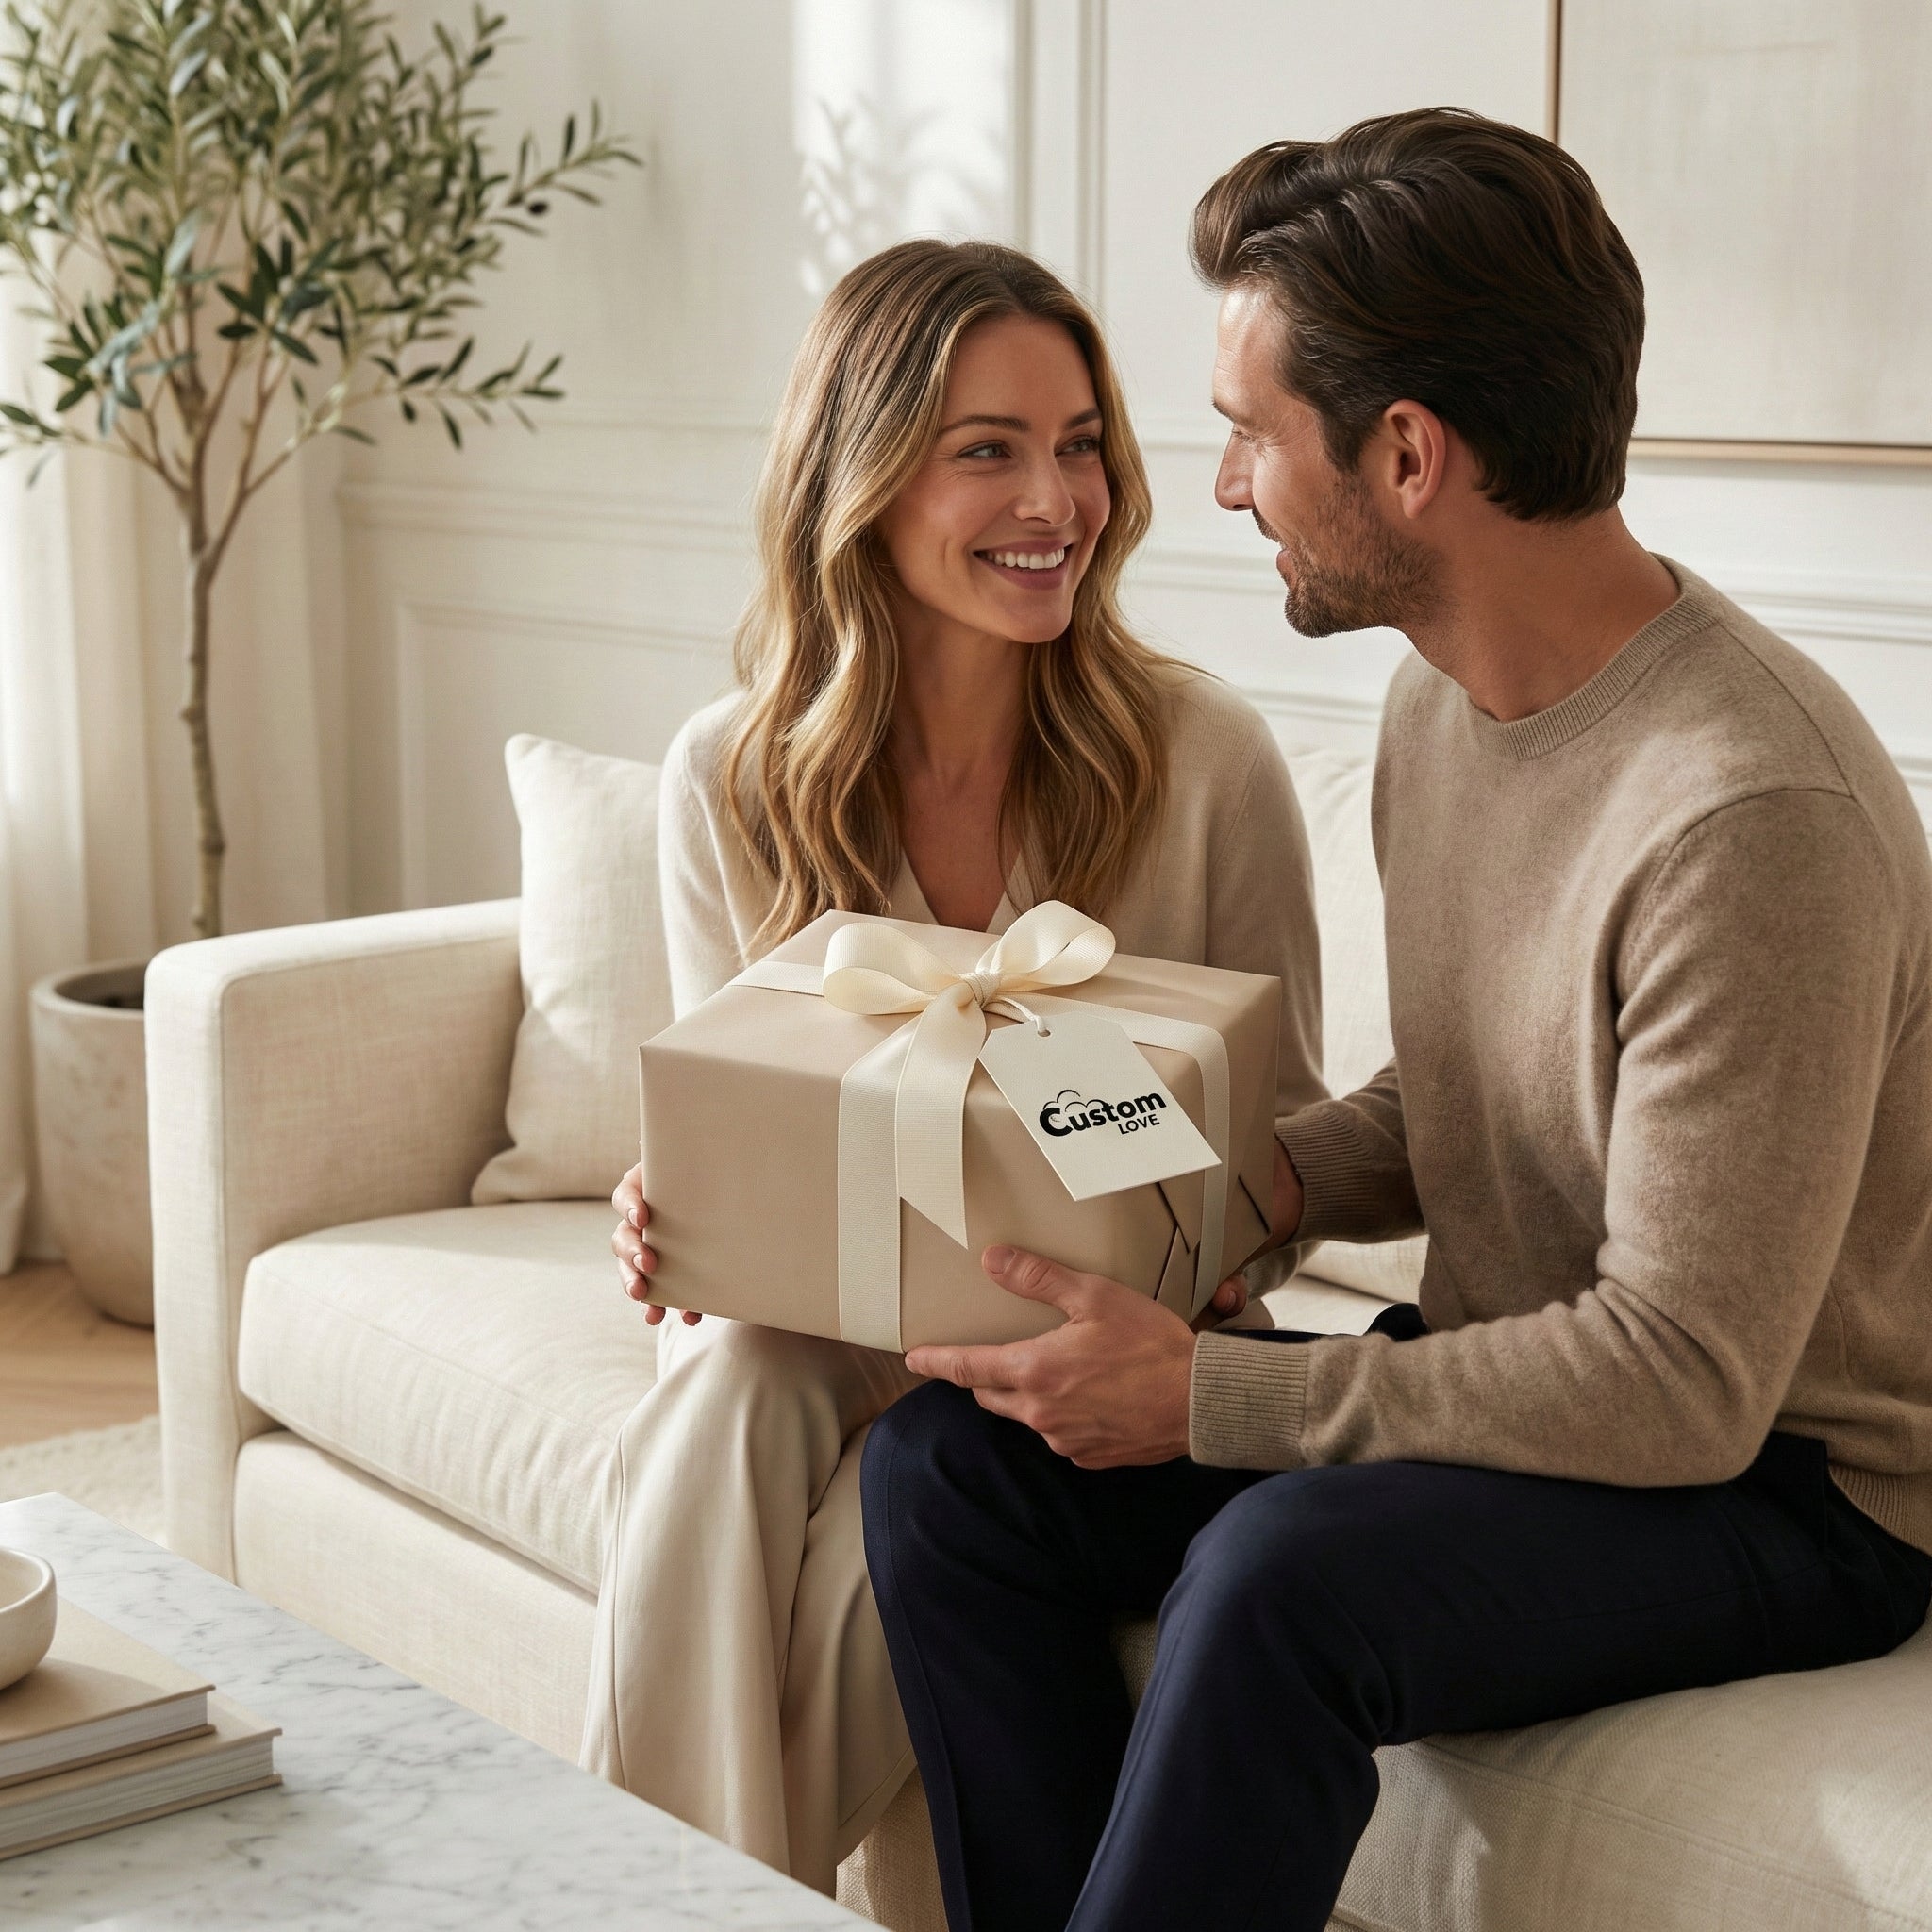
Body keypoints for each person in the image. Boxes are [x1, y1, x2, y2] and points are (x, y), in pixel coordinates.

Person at [860, 108, 1932, 1932]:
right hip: (1556, 1393)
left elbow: (1682, 1380)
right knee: (958, 1471)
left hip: (1787, 1489)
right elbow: (1471, 1103)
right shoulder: (1444, 708)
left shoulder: (1754, 818)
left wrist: (1207, 1392)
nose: (1212, 487)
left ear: (1409, 456)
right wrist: (1228, 1190)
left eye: (1247, 435)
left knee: (1281, 1575)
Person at [583, 237, 1327, 1894]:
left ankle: (634, 1897)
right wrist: (680, 1211)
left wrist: (1179, 1246)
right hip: (816, 1331)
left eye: (1079, 445)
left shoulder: (1205, 762)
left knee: (887, 1531)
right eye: (986, 447)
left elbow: (1282, 1173)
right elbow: (745, 1140)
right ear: (858, 474)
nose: (1055, 496)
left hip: (1098, 1344)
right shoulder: (730, 778)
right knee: (722, 1389)